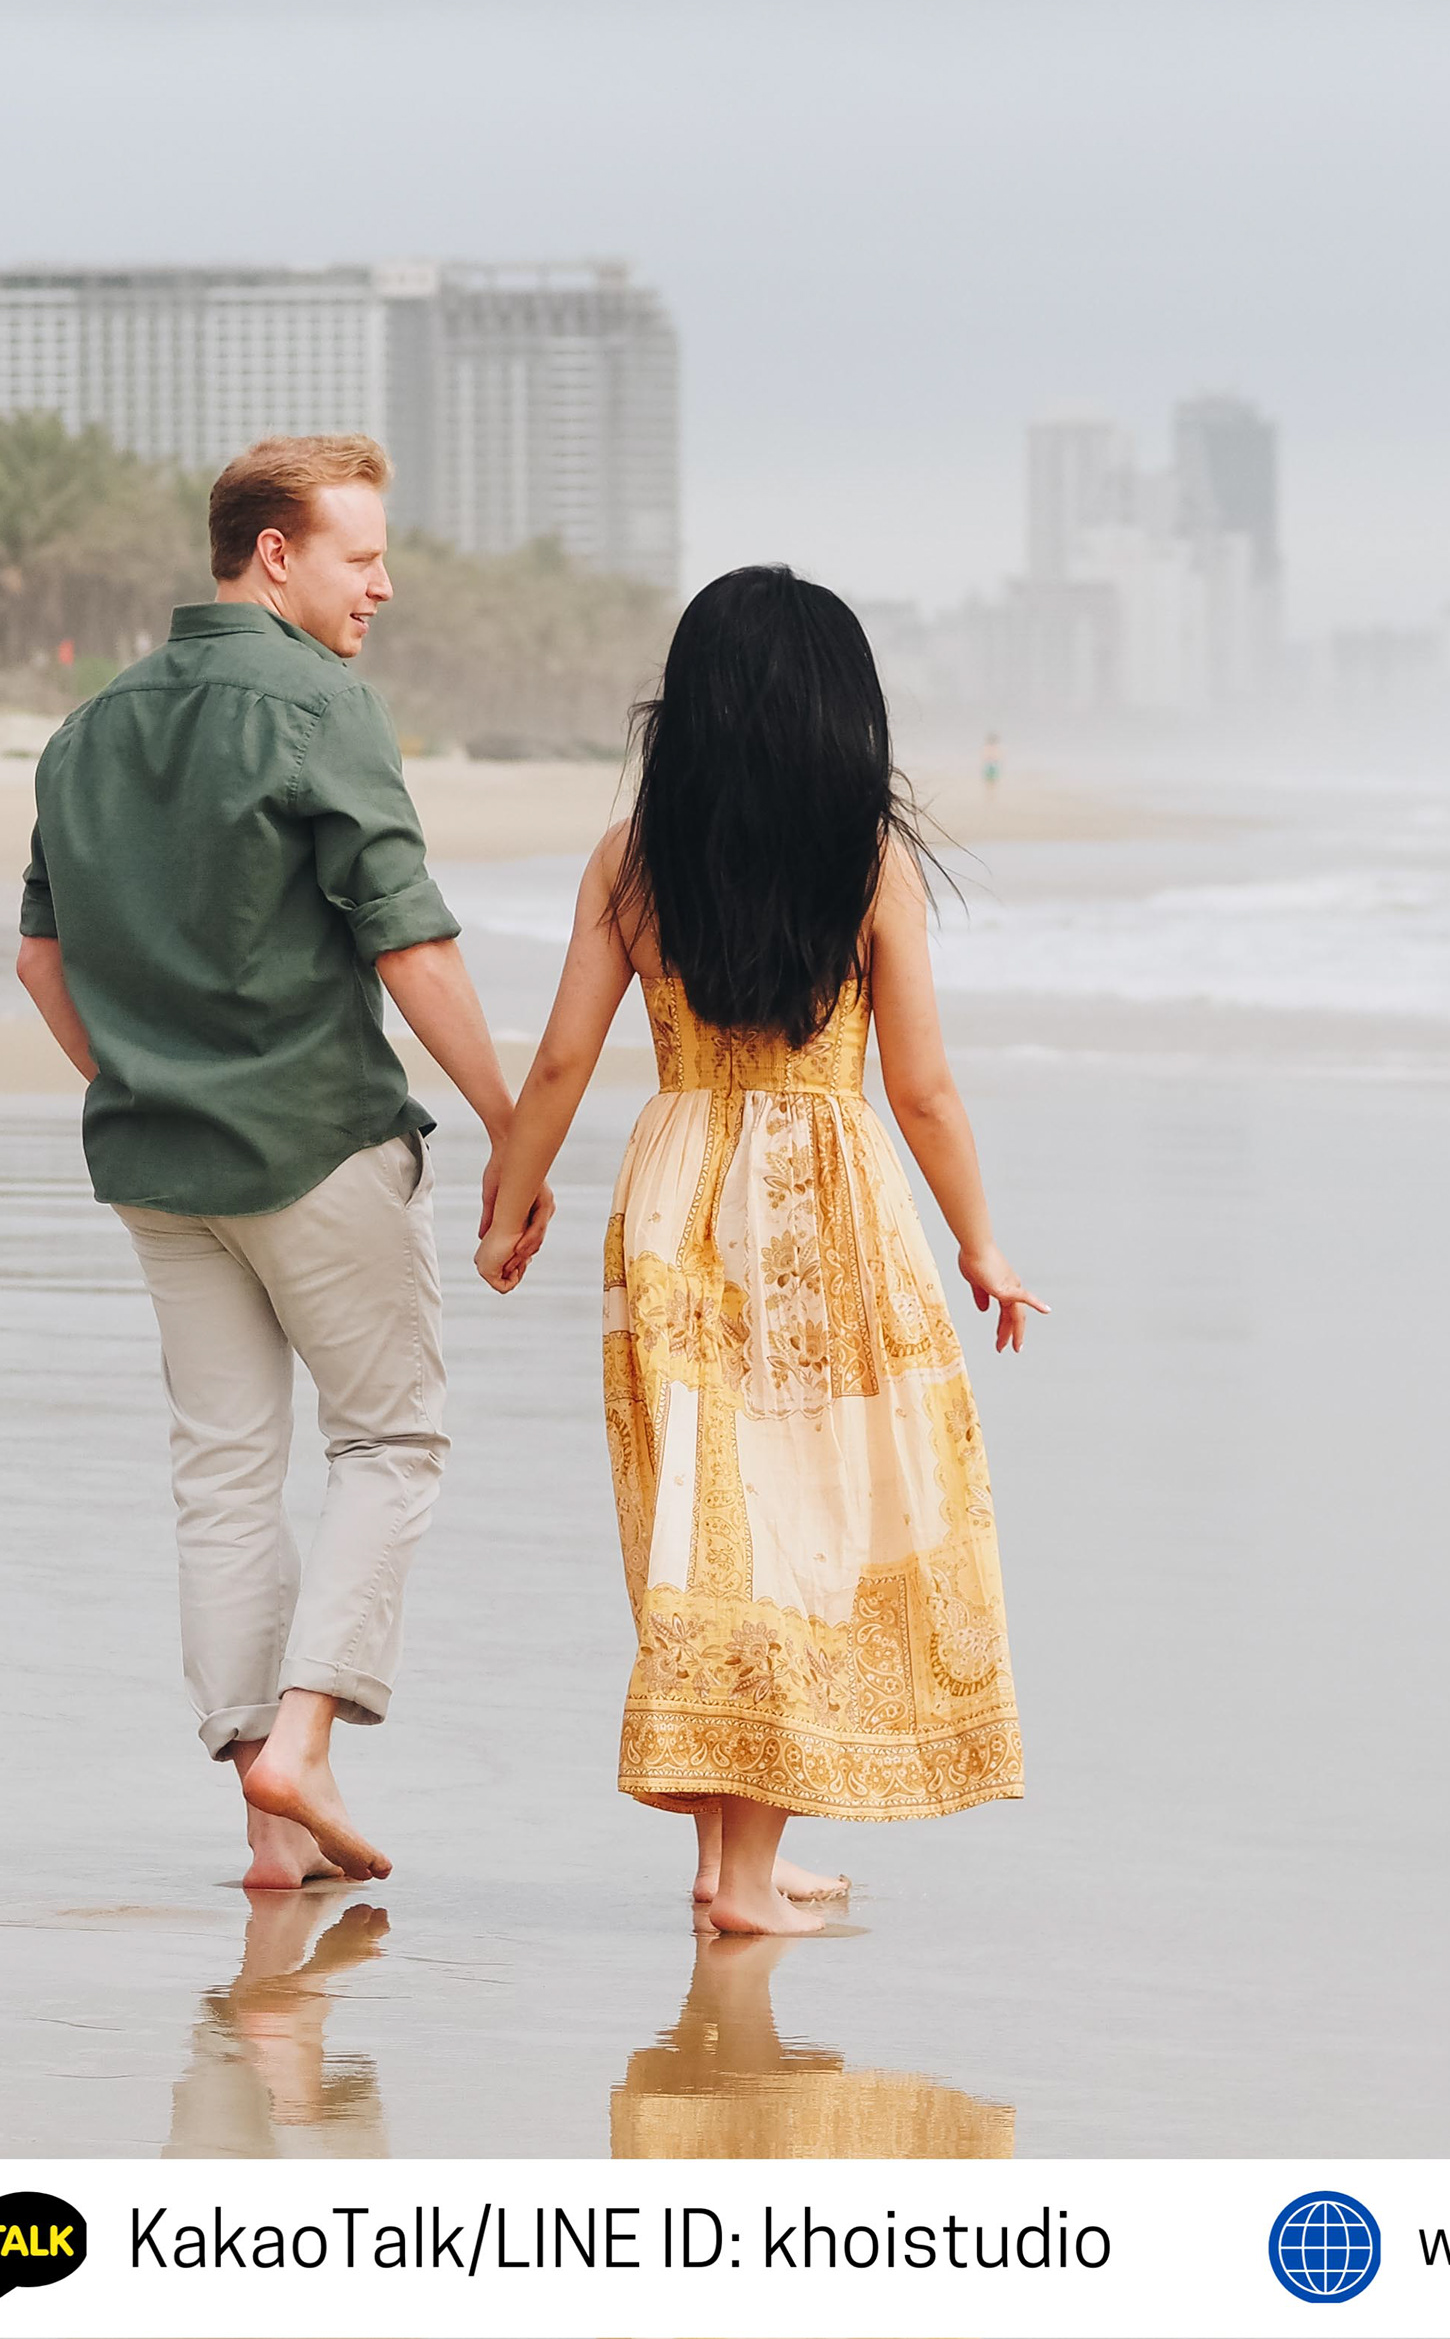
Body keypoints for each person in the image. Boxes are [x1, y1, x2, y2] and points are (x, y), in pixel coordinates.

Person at [477, 565, 1038, 1936]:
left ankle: (739, 1857)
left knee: (708, 1524)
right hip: (825, 1204)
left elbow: (559, 1058)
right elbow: (922, 1092)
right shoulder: (867, 860)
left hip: (677, 1196)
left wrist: (511, 1199)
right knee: (800, 1526)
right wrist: (981, 1242)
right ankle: (738, 1878)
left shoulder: (631, 856)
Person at [17, 433, 545, 1891]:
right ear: (277, 555)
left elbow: (39, 961)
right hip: (314, 1143)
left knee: (227, 1474)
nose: (383, 588)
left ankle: (268, 1835)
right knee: (390, 1441)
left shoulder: (89, 728)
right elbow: (412, 945)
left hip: (157, 1161)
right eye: (362, 558)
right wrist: (514, 1125)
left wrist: (146, 1081)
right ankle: (303, 1743)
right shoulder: (321, 706)